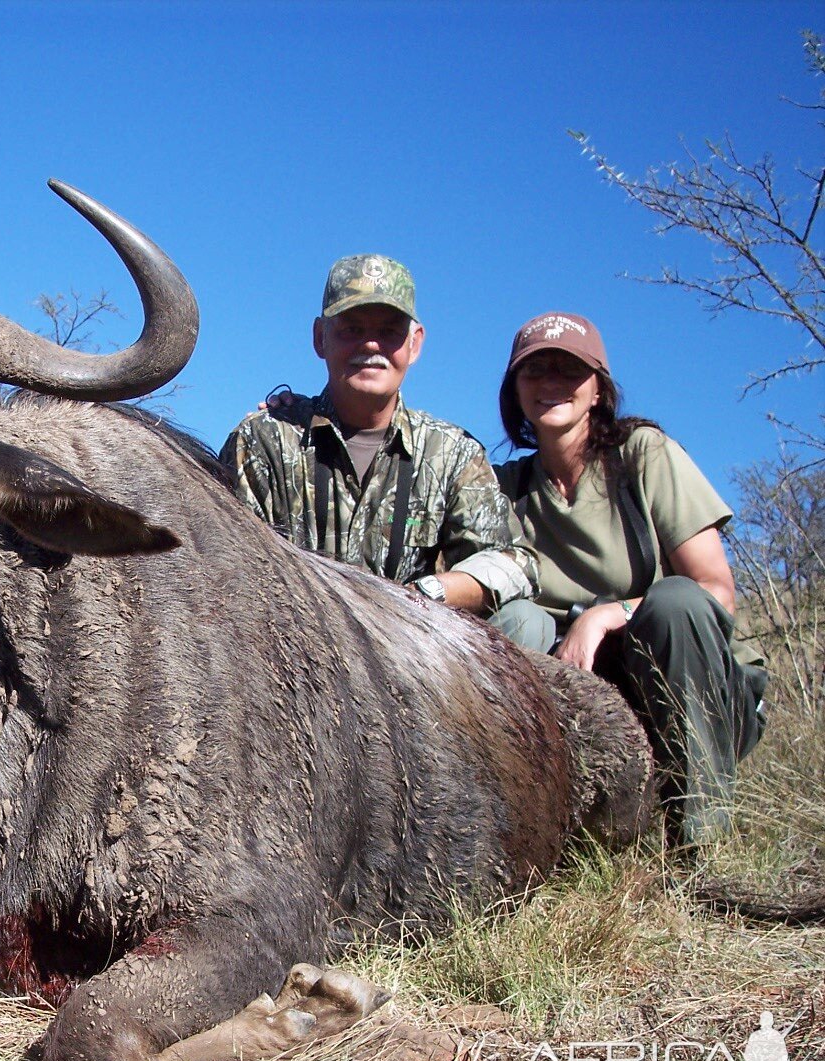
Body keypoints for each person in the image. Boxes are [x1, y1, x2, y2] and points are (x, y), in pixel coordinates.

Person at [494, 311, 768, 848]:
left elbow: (717, 590)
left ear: (598, 389)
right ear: (515, 392)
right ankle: (524, 840)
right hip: (581, 695)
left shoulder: (643, 454)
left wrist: (607, 615)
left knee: (675, 602)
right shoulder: (502, 488)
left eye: (568, 371)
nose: (551, 383)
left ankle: (700, 848)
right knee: (509, 622)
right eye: (535, 371)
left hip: (689, 681)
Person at [222, 254, 544, 646]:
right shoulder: (265, 439)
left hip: (417, 657)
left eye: (389, 332)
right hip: (293, 656)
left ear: (415, 344)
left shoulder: (452, 453)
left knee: (525, 621)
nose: (370, 344)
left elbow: (515, 562)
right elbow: (227, 568)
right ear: (319, 338)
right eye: (351, 329)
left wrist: (426, 595)